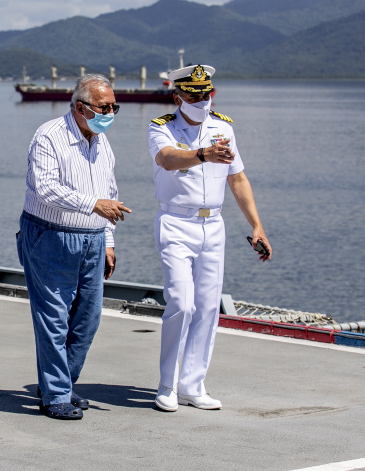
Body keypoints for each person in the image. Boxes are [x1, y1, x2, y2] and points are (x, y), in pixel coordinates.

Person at [148, 64, 272, 412]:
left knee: (206, 308)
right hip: (176, 222)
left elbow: (238, 179)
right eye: (194, 96)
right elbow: (167, 159)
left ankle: (193, 385)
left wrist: (257, 225)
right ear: (178, 98)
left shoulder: (223, 128)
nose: (202, 101)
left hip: (213, 225)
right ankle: (167, 384)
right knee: (181, 303)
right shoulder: (162, 127)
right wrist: (202, 154)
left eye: (207, 95)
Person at [18, 73, 131, 420]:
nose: (109, 113)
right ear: (80, 107)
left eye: (114, 108)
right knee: (54, 318)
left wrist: (108, 240)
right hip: (50, 236)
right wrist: (93, 205)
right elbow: (45, 188)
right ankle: (55, 395)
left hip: (93, 239)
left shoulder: (102, 141)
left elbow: (109, 191)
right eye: (103, 107)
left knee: (88, 319)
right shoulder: (49, 136)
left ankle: (61, 383)